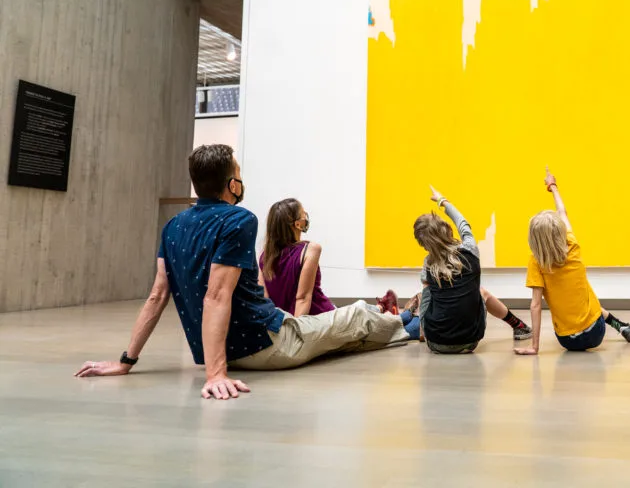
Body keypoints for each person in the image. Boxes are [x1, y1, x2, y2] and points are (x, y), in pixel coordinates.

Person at [74, 144, 409, 400]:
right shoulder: (239, 219)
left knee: (345, 337)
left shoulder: (173, 226)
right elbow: (217, 295)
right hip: (269, 344)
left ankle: (404, 322)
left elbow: (157, 296)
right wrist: (215, 375)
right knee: (357, 314)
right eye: (238, 175)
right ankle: (411, 322)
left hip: (236, 347)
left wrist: (126, 360)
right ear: (232, 184)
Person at [515, 168, 630, 356]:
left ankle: (622, 326)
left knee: (575, 293)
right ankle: (621, 326)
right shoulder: (572, 246)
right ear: (559, 231)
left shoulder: (536, 262)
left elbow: (535, 305)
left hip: (567, 340)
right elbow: (562, 211)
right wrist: (552, 186)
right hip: (596, 333)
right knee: (585, 291)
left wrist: (534, 347)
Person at [259, 197, 421, 340]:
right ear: (297, 224)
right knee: (361, 311)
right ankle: (396, 313)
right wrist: (294, 335)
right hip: (321, 319)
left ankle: (390, 310)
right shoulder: (310, 249)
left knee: (359, 309)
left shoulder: (264, 256)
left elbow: (266, 300)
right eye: (303, 215)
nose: (305, 218)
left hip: (290, 321)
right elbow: (302, 298)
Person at [415, 187, 532, 354]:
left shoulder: (428, 263)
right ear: (446, 229)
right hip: (470, 342)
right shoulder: (470, 249)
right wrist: (442, 201)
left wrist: (426, 333)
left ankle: (423, 332)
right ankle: (518, 325)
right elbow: (462, 223)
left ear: (424, 245)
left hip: (436, 344)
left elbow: (427, 299)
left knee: (426, 290)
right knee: (481, 292)